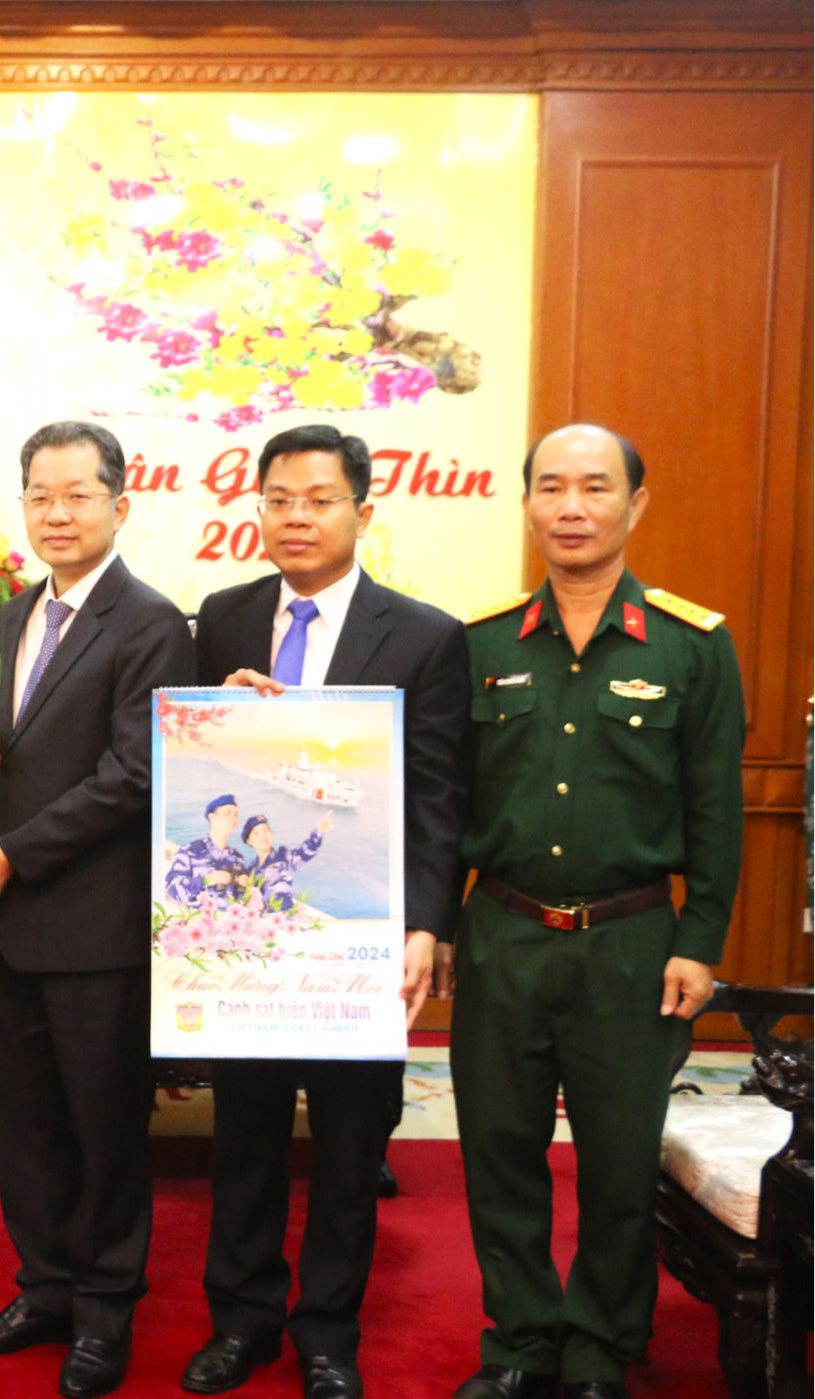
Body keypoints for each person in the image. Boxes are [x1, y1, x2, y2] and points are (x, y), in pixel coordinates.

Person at [449, 425, 741, 1399]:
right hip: (501, 933)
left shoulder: (692, 645)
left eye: (592, 487)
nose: (569, 506)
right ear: (525, 501)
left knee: (618, 1161)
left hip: (629, 942)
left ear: (633, 504)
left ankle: (599, 1348)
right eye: (549, 487)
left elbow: (713, 806)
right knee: (497, 1151)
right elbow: (442, 797)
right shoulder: (481, 642)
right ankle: (523, 1342)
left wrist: (698, 938)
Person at [184, 423, 468, 1399]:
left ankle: (326, 1336)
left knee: (351, 1148)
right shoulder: (218, 617)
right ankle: (239, 1321)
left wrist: (425, 926)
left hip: (359, 938)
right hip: (247, 937)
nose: (294, 516)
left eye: (317, 499)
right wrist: (209, 713)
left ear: (361, 511)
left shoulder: (423, 634)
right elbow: (189, 777)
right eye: (277, 498)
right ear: (255, 507)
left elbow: (437, 794)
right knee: (244, 1140)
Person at [0, 420, 194, 1399]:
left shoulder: (150, 623)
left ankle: (103, 1312)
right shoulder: (8, 615)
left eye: (76, 494)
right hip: (12, 926)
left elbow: (133, 776)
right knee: (27, 1124)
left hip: (98, 930)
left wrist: (8, 851)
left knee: (103, 1128)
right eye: (38, 494)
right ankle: (41, 1288)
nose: (55, 511)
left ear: (118, 506)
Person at [163, 796, 246, 905]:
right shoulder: (190, 851)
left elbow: (240, 901)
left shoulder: (238, 858)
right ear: (212, 817)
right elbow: (171, 887)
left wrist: (246, 888)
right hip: (200, 920)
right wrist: (205, 880)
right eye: (227, 813)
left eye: (236, 815)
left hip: (230, 920)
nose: (233, 819)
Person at [241, 812, 333, 910]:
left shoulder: (284, 856)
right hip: (264, 921)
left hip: (284, 919)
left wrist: (318, 832)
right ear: (249, 841)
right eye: (256, 833)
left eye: (266, 831)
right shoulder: (251, 870)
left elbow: (306, 852)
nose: (262, 836)